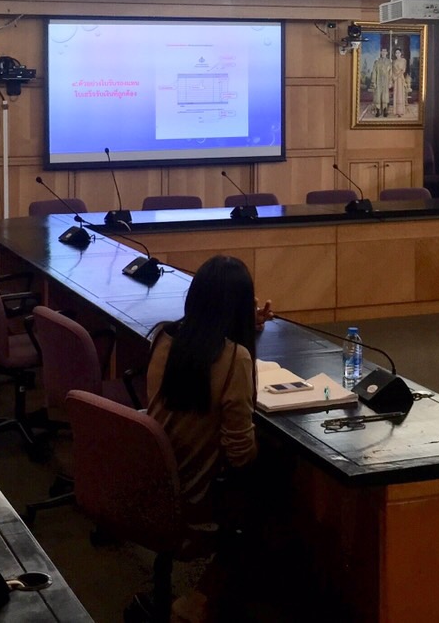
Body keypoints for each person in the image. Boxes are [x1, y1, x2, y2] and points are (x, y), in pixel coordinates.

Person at [146, 256, 271, 623]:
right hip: (197, 499)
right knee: (278, 476)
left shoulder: (164, 338)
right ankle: (203, 597)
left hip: (155, 482)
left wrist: (246, 324)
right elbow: (240, 454)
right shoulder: (235, 359)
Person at [370, 47, 392, 118]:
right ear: (380, 52)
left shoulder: (389, 62)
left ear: (387, 53)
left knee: (385, 96)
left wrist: (390, 82)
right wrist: (374, 82)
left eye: (385, 51)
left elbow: (390, 73)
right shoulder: (377, 62)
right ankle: (378, 111)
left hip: (386, 81)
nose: (383, 53)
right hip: (378, 81)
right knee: (378, 96)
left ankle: (385, 110)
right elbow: (374, 72)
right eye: (382, 51)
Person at [391, 44, 410, 118]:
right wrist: (394, 77)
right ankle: (396, 111)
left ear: (401, 53)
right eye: (396, 53)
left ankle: (401, 111)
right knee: (396, 93)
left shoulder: (404, 60)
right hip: (396, 80)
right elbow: (393, 71)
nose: (397, 54)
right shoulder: (394, 62)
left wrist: (397, 75)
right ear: (395, 54)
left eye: (398, 52)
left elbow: (403, 70)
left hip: (400, 79)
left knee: (401, 94)